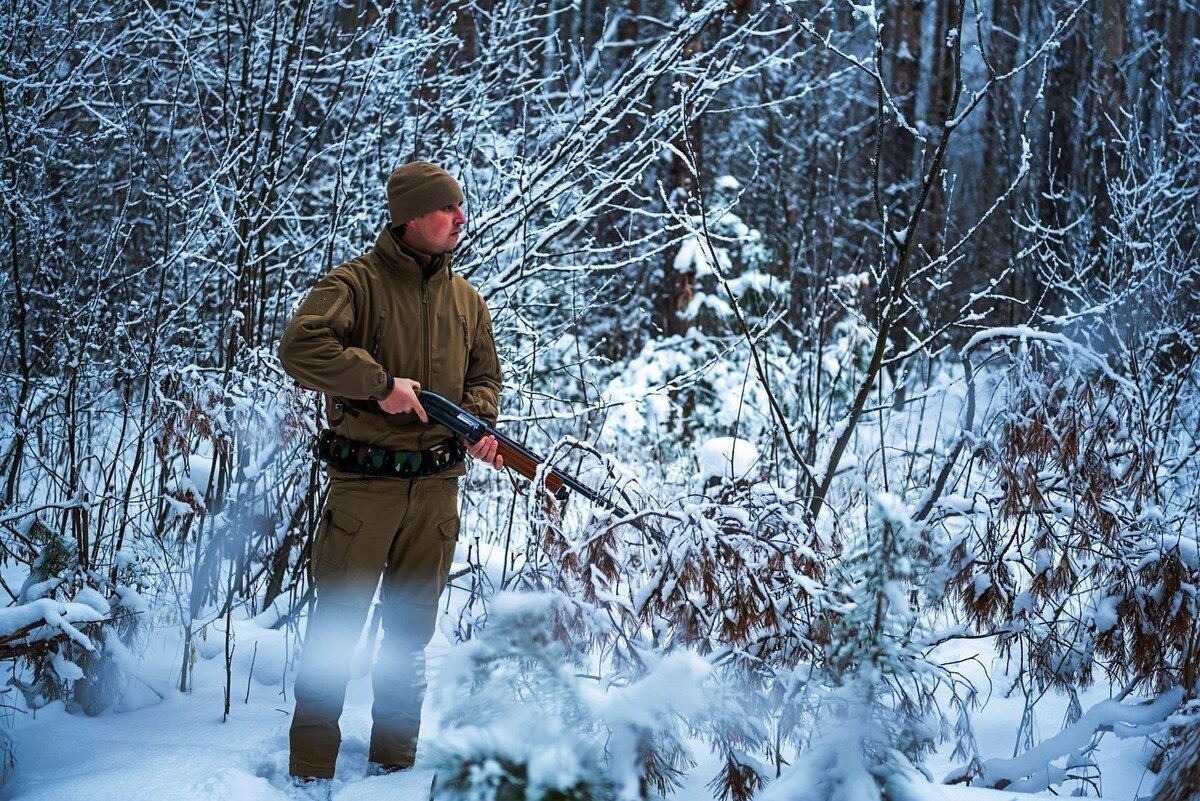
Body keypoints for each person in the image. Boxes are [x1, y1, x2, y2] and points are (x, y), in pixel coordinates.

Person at [278, 161, 502, 787]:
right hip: (364, 489)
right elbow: (300, 346)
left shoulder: (468, 300)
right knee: (336, 630)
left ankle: (394, 769)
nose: (461, 218)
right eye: (447, 209)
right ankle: (309, 773)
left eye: (460, 207)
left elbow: (485, 378)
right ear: (410, 217)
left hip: (436, 493)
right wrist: (380, 386)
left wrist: (478, 424)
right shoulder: (355, 284)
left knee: (410, 636)